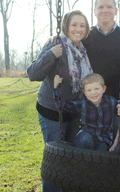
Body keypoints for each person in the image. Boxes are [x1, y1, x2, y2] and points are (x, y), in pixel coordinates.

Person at [27, 10, 93, 192]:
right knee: (55, 159)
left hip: (73, 113)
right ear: (66, 26)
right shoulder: (55, 45)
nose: (78, 29)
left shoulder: (82, 51)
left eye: (82, 25)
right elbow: (33, 74)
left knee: (69, 157)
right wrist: (51, 55)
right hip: (51, 111)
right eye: (74, 25)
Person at [53, 73, 119, 151]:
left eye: (96, 89)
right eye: (89, 90)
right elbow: (64, 107)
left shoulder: (111, 102)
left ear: (103, 89)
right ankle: (82, 160)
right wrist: (56, 88)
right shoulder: (82, 103)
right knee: (85, 140)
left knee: (102, 153)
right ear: (84, 92)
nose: (93, 93)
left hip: (104, 139)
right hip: (86, 136)